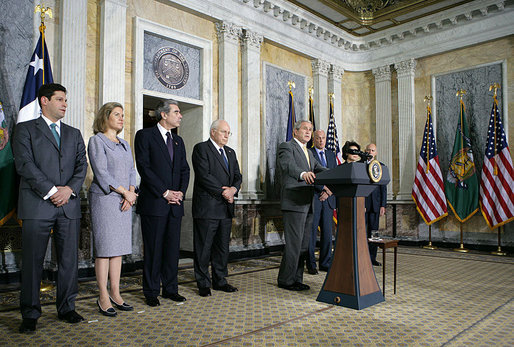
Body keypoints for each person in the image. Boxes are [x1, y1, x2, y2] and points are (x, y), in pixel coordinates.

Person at [13, 83, 88, 333]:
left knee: (68, 261)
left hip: (69, 205)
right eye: (59, 99)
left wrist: (68, 190)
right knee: (33, 262)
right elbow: (25, 165)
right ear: (44, 101)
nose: (65, 104)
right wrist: (52, 190)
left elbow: (81, 165)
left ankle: (67, 308)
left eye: (66, 99)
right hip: (37, 204)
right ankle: (31, 314)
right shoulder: (25, 129)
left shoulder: (74, 133)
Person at [134, 99, 190, 306]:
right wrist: (165, 192)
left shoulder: (178, 141)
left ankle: (170, 289)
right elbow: (144, 167)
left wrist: (180, 193)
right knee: (154, 249)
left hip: (175, 205)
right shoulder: (144, 135)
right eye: (176, 112)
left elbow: (185, 169)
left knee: (172, 250)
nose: (180, 115)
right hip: (154, 204)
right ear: (164, 114)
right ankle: (150, 292)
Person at [88, 102, 138, 317]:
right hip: (105, 200)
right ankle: (103, 296)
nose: (121, 118)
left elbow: (132, 171)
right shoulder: (96, 141)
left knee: (117, 249)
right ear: (105, 117)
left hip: (125, 200)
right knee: (105, 249)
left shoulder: (125, 144)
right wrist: (123, 192)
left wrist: (132, 192)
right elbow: (101, 173)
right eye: (116, 114)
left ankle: (116, 293)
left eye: (122, 115)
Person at [192, 119, 242, 297]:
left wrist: (234, 189)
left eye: (228, 132)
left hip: (226, 208)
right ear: (213, 132)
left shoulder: (230, 152)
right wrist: (225, 192)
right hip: (208, 207)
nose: (227, 135)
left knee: (222, 248)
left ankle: (220, 280)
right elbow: (204, 176)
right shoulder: (201, 149)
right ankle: (203, 283)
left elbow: (237, 175)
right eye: (223, 132)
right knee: (204, 248)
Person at [276, 120, 328, 291]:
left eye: (310, 130)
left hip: (308, 203)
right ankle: (285, 280)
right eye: (305, 129)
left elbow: (319, 168)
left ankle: (296, 278)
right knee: (294, 244)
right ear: (295, 131)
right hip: (294, 202)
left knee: (304, 245)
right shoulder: (287, 146)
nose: (308, 132)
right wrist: (302, 173)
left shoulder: (309, 152)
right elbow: (288, 166)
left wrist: (338, 174)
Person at [307, 130, 337, 274]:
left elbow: (336, 175)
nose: (321, 140)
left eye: (323, 137)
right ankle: (311, 264)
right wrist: (322, 188)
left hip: (329, 199)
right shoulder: (308, 153)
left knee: (327, 232)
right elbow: (309, 174)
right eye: (318, 138)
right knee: (311, 233)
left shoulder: (331, 154)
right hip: (314, 198)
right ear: (313, 139)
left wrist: (329, 191)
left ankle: (325, 263)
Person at [364, 143, 387, 266]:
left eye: (372, 150)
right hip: (363, 205)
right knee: (362, 232)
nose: (370, 152)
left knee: (374, 233)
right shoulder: (360, 166)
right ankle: (362, 256)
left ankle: (372, 258)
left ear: (376, 153)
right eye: (368, 150)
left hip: (376, 205)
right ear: (365, 151)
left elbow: (383, 188)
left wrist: (383, 205)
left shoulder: (381, 167)